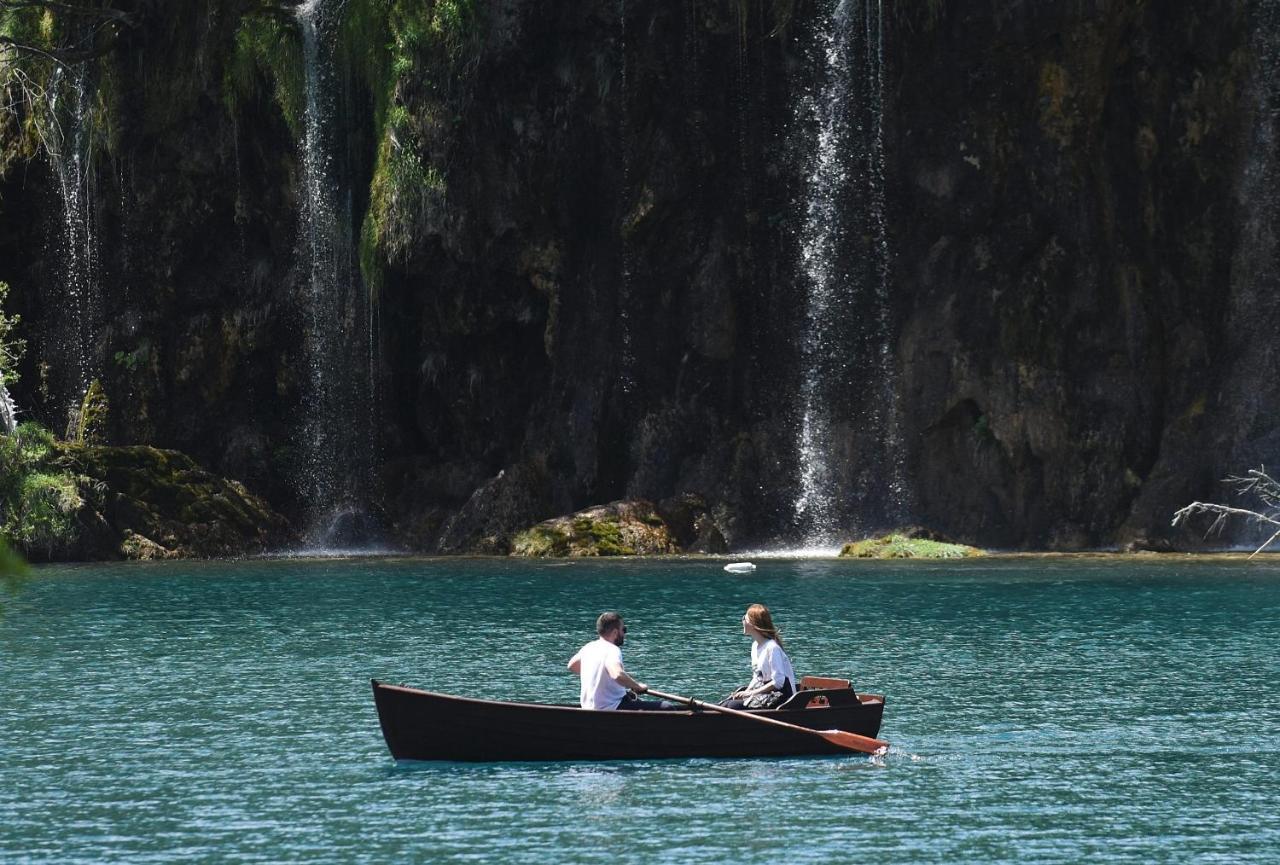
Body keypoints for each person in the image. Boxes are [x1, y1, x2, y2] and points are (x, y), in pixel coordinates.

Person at [567, 611, 678, 710]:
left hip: (589, 708)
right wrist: (637, 686)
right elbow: (617, 675)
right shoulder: (612, 650)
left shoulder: (589, 647)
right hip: (612, 707)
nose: (624, 633)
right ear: (615, 632)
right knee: (667, 707)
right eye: (623, 629)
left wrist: (597, 674)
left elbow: (572, 665)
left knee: (636, 702)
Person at [721, 603, 796, 710]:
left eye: (744, 618)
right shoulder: (755, 646)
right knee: (726, 703)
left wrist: (751, 692)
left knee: (733, 706)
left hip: (781, 697)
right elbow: (757, 677)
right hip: (766, 694)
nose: (742, 621)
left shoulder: (772, 648)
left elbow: (778, 682)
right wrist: (746, 692)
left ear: (753, 623)